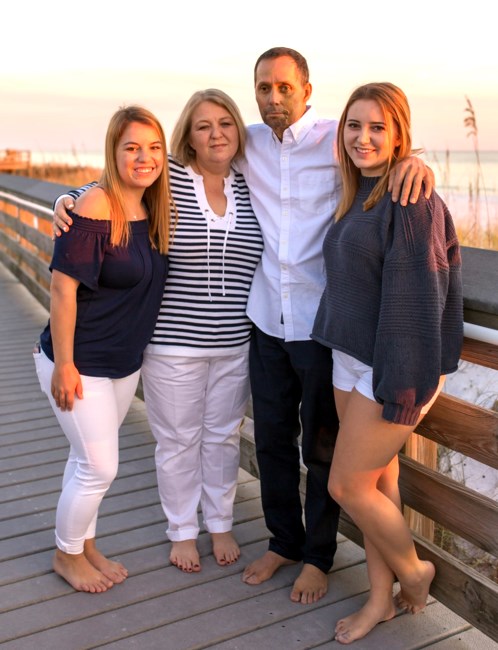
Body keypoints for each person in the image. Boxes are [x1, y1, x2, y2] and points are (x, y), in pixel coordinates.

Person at [237, 47, 436, 605]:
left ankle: (318, 558)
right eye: (263, 87)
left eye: (284, 86)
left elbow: (386, 151)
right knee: (272, 441)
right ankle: (284, 542)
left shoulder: (338, 135)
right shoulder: (245, 143)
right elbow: (167, 165)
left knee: (325, 452)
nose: (273, 97)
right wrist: (76, 196)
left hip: (324, 326)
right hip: (266, 317)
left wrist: (417, 164)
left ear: (306, 89)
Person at [52, 89, 264, 573]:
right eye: (204, 125)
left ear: (238, 131)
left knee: (223, 438)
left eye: (225, 124)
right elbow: (117, 180)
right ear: (188, 135)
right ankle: (182, 530)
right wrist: (68, 199)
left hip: (234, 343)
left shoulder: (253, 182)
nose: (216, 134)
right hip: (172, 343)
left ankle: (221, 523)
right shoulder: (170, 177)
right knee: (178, 441)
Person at [311, 82, 463, 643]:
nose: (363, 137)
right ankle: (380, 600)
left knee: (347, 486)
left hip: (395, 367)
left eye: (378, 127)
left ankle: (414, 572)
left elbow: (418, 299)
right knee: (379, 481)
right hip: (352, 357)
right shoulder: (360, 190)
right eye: (354, 125)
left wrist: (402, 388)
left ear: (399, 135)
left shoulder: (412, 199)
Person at [33, 105, 174, 593]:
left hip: (122, 362)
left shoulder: (152, 205)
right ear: (113, 152)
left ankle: (84, 545)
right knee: (99, 466)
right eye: (131, 147)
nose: (144, 157)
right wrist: (65, 364)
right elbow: (62, 289)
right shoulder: (95, 205)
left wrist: (67, 193)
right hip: (80, 361)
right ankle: (66, 555)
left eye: (154, 147)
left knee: (84, 459)